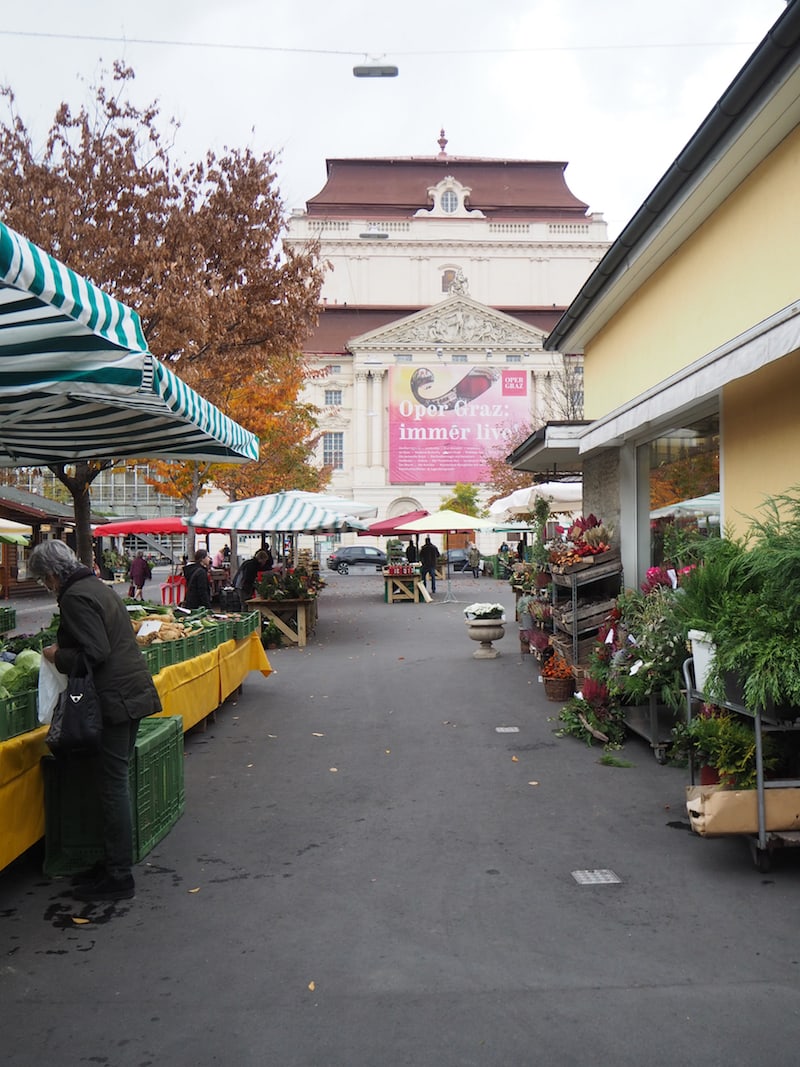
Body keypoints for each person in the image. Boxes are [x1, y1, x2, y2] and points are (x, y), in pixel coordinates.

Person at [29, 540, 162, 902]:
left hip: (114, 698)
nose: (47, 585)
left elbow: (96, 652)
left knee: (112, 784)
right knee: (113, 780)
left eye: (44, 579)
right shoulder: (94, 587)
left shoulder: (74, 596)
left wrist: (58, 655)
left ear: (54, 574)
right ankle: (112, 863)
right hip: (128, 692)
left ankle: (119, 875)